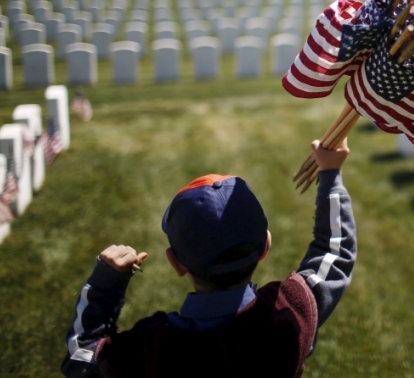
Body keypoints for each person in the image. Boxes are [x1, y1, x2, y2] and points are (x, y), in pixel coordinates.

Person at [61, 139, 356, 377]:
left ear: (175, 263)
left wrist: (106, 284)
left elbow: (82, 356)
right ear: (266, 245)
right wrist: (330, 174)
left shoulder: (149, 347)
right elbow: (335, 251)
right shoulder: (290, 312)